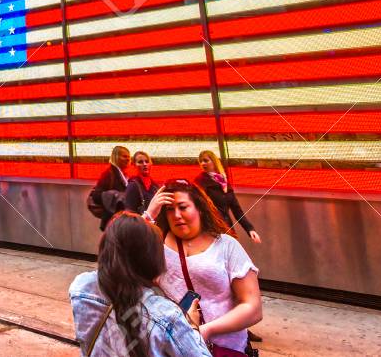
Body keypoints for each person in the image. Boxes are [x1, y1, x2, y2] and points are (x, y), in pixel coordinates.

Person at [69, 212, 210, 357]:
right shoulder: (166, 316)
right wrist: (193, 327)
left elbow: (126, 239)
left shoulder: (81, 287)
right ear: (152, 260)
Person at [152, 180, 263, 355]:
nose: (176, 215)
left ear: (200, 209)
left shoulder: (226, 246)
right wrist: (149, 214)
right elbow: (121, 264)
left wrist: (206, 330)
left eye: (183, 207)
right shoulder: (156, 247)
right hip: (177, 348)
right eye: (169, 209)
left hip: (225, 348)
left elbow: (253, 308)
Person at [195, 151, 261, 244]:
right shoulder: (200, 182)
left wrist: (250, 229)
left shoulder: (224, 181)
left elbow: (237, 211)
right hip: (211, 231)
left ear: (214, 161)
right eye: (200, 161)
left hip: (227, 229)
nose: (202, 164)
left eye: (206, 160)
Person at [89, 146, 130, 231]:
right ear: (116, 157)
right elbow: (96, 196)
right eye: (124, 156)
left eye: (129, 157)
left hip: (121, 221)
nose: (128, 159)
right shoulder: (109, 174)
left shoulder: (125, 175)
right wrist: (114, 195)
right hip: (112, 221)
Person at [124, 151, 160, 215]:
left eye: (147, 161)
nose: (145, 164)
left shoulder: (155, 187)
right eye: (140, 162)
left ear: (151, 164)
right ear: (134, 165)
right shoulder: (132, 186)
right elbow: (129, 213)